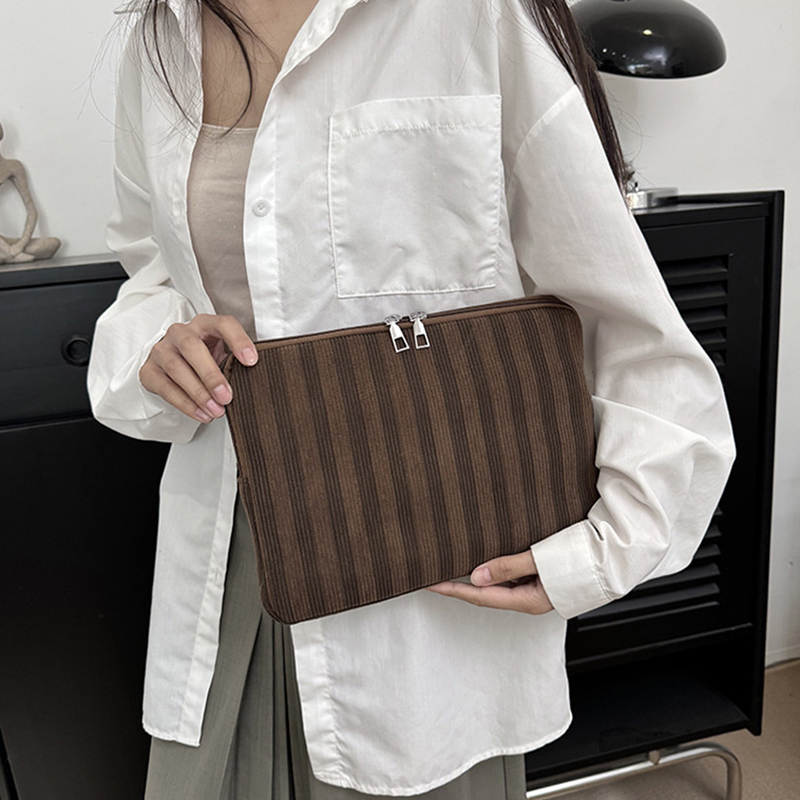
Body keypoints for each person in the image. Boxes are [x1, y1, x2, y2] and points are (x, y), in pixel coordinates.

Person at [88, 0, 735, 797]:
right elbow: (150, 269)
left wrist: (603, 552)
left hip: (431, 593)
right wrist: (156, 349)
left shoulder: (475, 17)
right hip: (229, 572)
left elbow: (624, 320)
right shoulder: (161, 38)